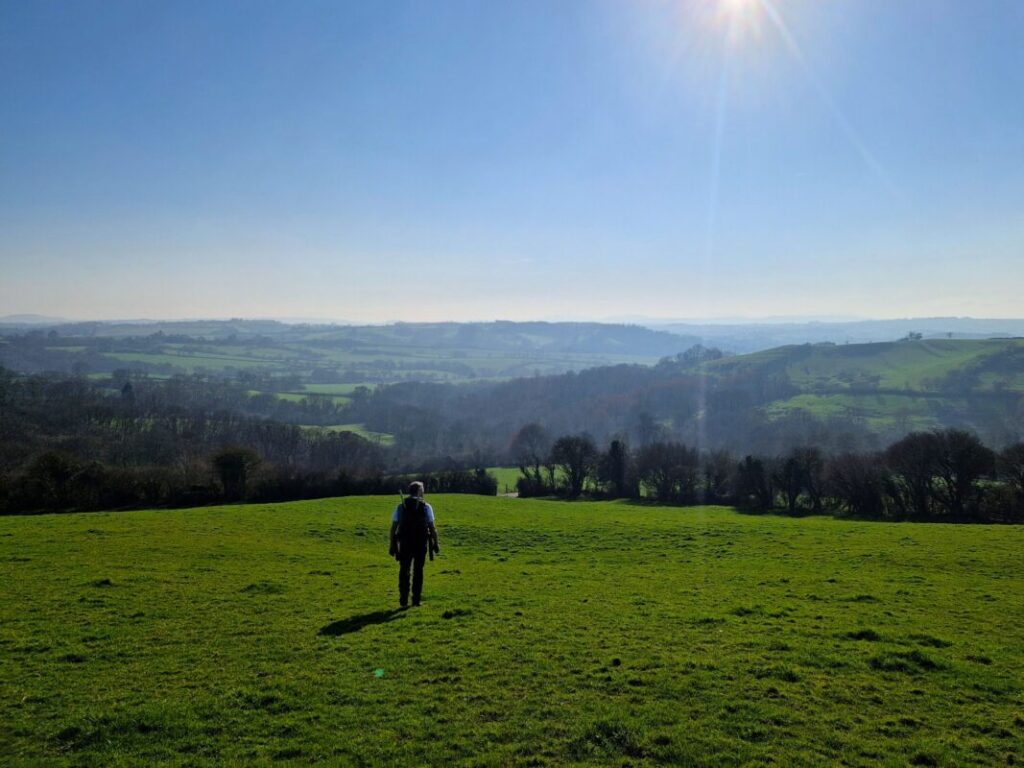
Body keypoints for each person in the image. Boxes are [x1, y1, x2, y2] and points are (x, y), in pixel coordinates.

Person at [389, 481, 440, 607]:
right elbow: (432, 528)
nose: (424, 492)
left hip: (405, 543)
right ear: (419, 491)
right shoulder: (426, 507)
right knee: (418, 571)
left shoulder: (401, 507)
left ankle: (403, 599)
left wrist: (392, 545)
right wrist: (436, 543)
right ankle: (416, 600)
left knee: (404, 570)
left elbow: (393, 528)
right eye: (422, 490)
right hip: (420, 543)